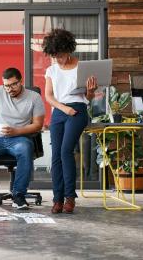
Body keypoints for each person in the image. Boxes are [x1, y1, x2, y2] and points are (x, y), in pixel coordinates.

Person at [0, 68, 45, 210]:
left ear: (21, 81)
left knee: (25, 150)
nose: (9, 89)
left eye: (13, 85)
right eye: (7, 86)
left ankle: (18, 195)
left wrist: (16, 131)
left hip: (20, 137)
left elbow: (37, 125)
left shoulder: (34, 97)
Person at [42, 28, 97, 214]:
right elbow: (48, 97)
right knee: (56, 155)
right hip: (60, 111)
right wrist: (64, 108)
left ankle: (70, 197)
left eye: (61, 55)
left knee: (66, 151)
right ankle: (57, 199)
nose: (58, 59)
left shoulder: (82, 67)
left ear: (68, 49)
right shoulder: (51, 70)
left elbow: (88, 98)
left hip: (78, 110)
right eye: (55, 55)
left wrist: (91, 90)